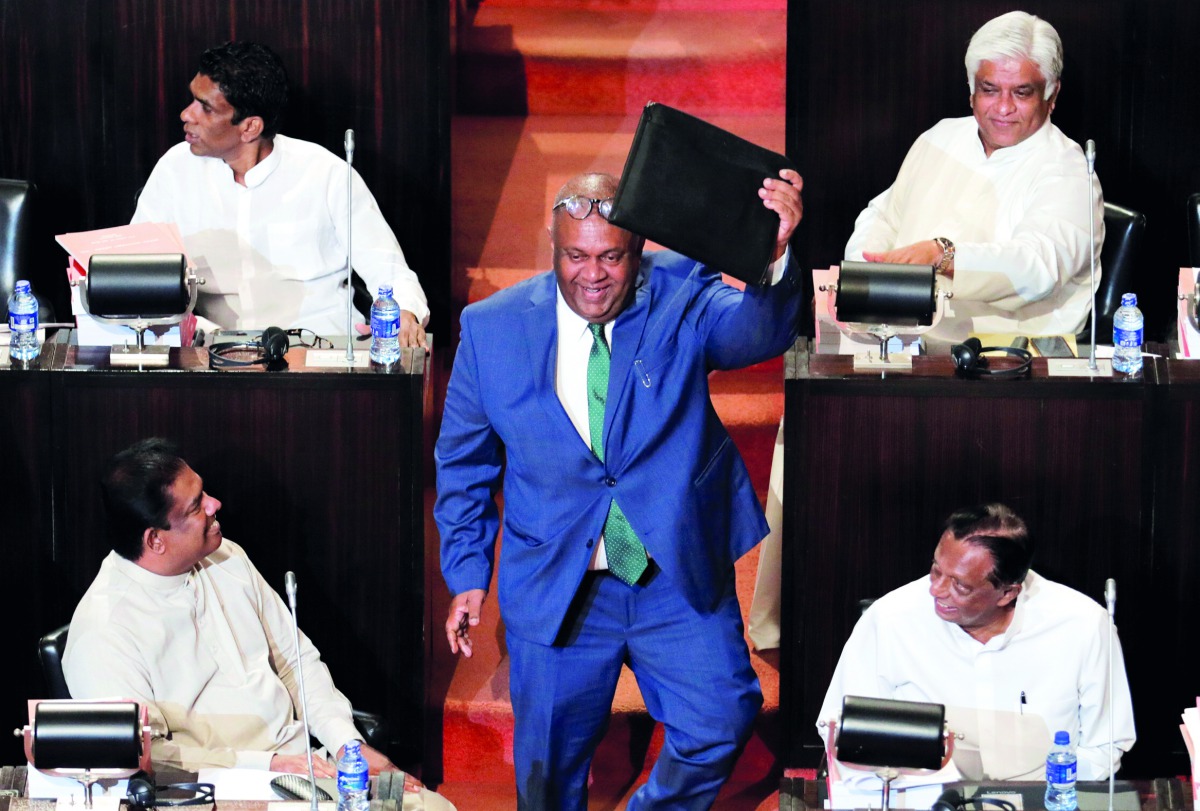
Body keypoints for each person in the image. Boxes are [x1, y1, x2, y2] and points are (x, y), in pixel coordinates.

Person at [436, 168, 805, 808]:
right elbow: (464, 464)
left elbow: (757, 332)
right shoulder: (490, 328)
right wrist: (467, 570)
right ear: (552, 249)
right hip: (559, 580)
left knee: (721, 717)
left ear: (638, 255)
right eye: (575, 255)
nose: (593, 273)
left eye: (612, 256)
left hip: (671, 567)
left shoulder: (679, 291)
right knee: (548, 773)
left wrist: (773, 258)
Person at [62, 438, 450, 810]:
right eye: (197, 506)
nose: (216, 504)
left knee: (434, 808)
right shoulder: (104, 633)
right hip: (218, 790)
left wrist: (348, 745)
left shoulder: (226, 556)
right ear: (155, 540)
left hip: (308, 769)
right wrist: (266, 765)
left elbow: (295, 661)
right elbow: (146, 759)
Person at [132, 41, 429, 345]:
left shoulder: (327, 176)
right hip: (214, 355)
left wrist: (405, 314)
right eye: (192, 100)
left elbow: (390, 272)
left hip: (318, 353)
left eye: (205, 108)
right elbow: (133, 268)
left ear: (250, 127)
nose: (186, 114)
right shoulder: (174, 170)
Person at [818, 503, 1135, 781]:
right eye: (936, 571)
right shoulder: (890, 618)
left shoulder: (1084, 626)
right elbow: (840, 728)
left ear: (1008, 592)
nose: (937, 590)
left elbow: (1105, 746)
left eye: (960, 585)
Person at [844, 11, 1103, 342]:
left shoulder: (1069, 169)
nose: (1003, 107)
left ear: (1051, 97)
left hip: (1005, 363)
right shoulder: (940, 137)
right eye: (990, 90)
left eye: (1022, 92)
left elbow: (1037, 267)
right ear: (971, 92)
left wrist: (944, 255)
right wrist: (864, 279)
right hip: (900, 338)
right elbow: (883, 216)